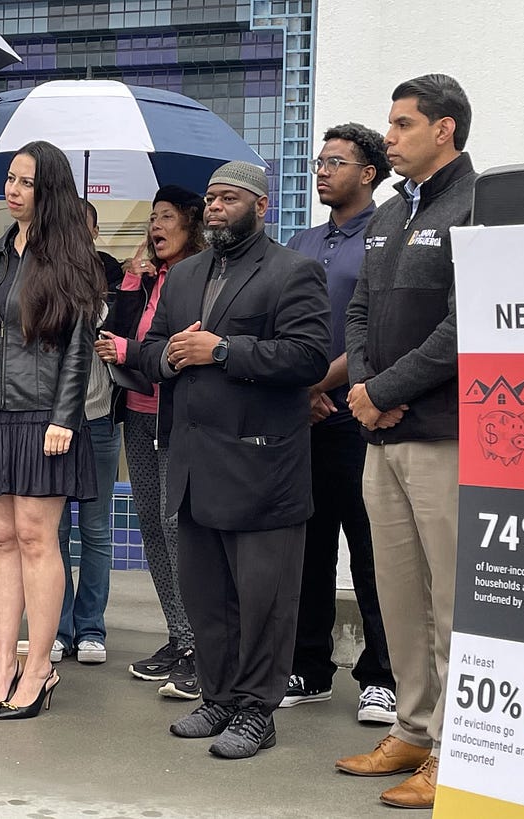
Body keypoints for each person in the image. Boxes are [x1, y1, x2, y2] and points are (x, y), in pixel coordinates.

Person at [135, 161, 329, 759]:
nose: (216, 207)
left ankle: (256, 712)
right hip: (194, 466)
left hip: (261, 470)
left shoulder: (293, 271)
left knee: (264, 602)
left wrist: (222, 350)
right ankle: (218, 698)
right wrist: (168, 356)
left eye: (229, 198)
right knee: (207, 598)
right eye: (211, 198)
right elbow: (150, 349)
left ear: (261, 206)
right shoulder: (184, 274)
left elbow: (308, 357)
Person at [337, 74, 476, 810]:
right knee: (396, 595)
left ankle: (455, 751)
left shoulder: (476, 205)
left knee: (449, 601)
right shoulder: (390, 212)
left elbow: (465, 324)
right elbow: (358, 311)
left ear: (443, 129)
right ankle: (414, 730)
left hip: (440, 435)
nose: (387, 137)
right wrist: (365, 388)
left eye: (402, 125)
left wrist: (386, 391)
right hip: (379, 434)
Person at [0, 140, 105, 720]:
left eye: (26, 181)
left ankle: (39, 667)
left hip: (44, 416)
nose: (12, 189)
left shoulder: (73, 260)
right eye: (10, 178)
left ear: (49, 189)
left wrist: (65, 416)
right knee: (2, 539)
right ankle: (2, 665)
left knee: (37, 538)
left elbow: (79, 347)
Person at [280, 123, 397, 725]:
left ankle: (382, 677)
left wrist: (322, 385)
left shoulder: (388, 233)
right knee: (310, 546)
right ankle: (309, 667)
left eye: (335, 162)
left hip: (362, 415)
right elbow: (280, 322)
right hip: (304, 417)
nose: (322, 171)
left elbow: (378, 328)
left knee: (372, 551)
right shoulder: (301, 241)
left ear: (368, 173)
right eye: (319, 162)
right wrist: (299, 392)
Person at [95, 186, 205, 697]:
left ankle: (202, 645)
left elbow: (170, 349)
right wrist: (129, 284)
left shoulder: (201, 276)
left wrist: (129, 350)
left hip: (177, 418)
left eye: (167, 217)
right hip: (138, 415)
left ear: (190, 224)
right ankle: (179, 636)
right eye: (153, 218)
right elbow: (113, 342)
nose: (156, 226)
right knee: (151, 528)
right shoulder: (143, 278)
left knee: (176, 525)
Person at [50, 199, 125, 665]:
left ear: (96, 233)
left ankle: (92, 628)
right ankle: (57, 629)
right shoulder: (44, 276)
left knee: (96, 531)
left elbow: (125, 331)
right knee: (53, 532)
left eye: (85, 226)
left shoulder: (113, 277)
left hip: (98, 418)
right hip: (53, 424)